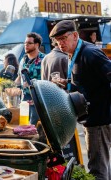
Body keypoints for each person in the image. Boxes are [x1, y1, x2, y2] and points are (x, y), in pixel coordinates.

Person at [50, 20, 111, 180]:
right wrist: (67, 82)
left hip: (99, 120)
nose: (60, 44)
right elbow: (86, 81)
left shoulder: (90, 53)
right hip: (90, 119)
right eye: (57, 41)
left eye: (63, 38)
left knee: (97, 170)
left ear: (75, 35)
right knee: (102, 165)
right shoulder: (73, 53)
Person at [15, 32, 45, 125]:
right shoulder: (23, 59)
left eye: (29, 43)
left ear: (37, 44)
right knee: (23, 126)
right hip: (24, 100)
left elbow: (47, 82)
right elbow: (19, 78)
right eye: (25, 43)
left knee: (35, 129)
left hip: (38, 101)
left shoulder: (44, 59)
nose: (26, 45)